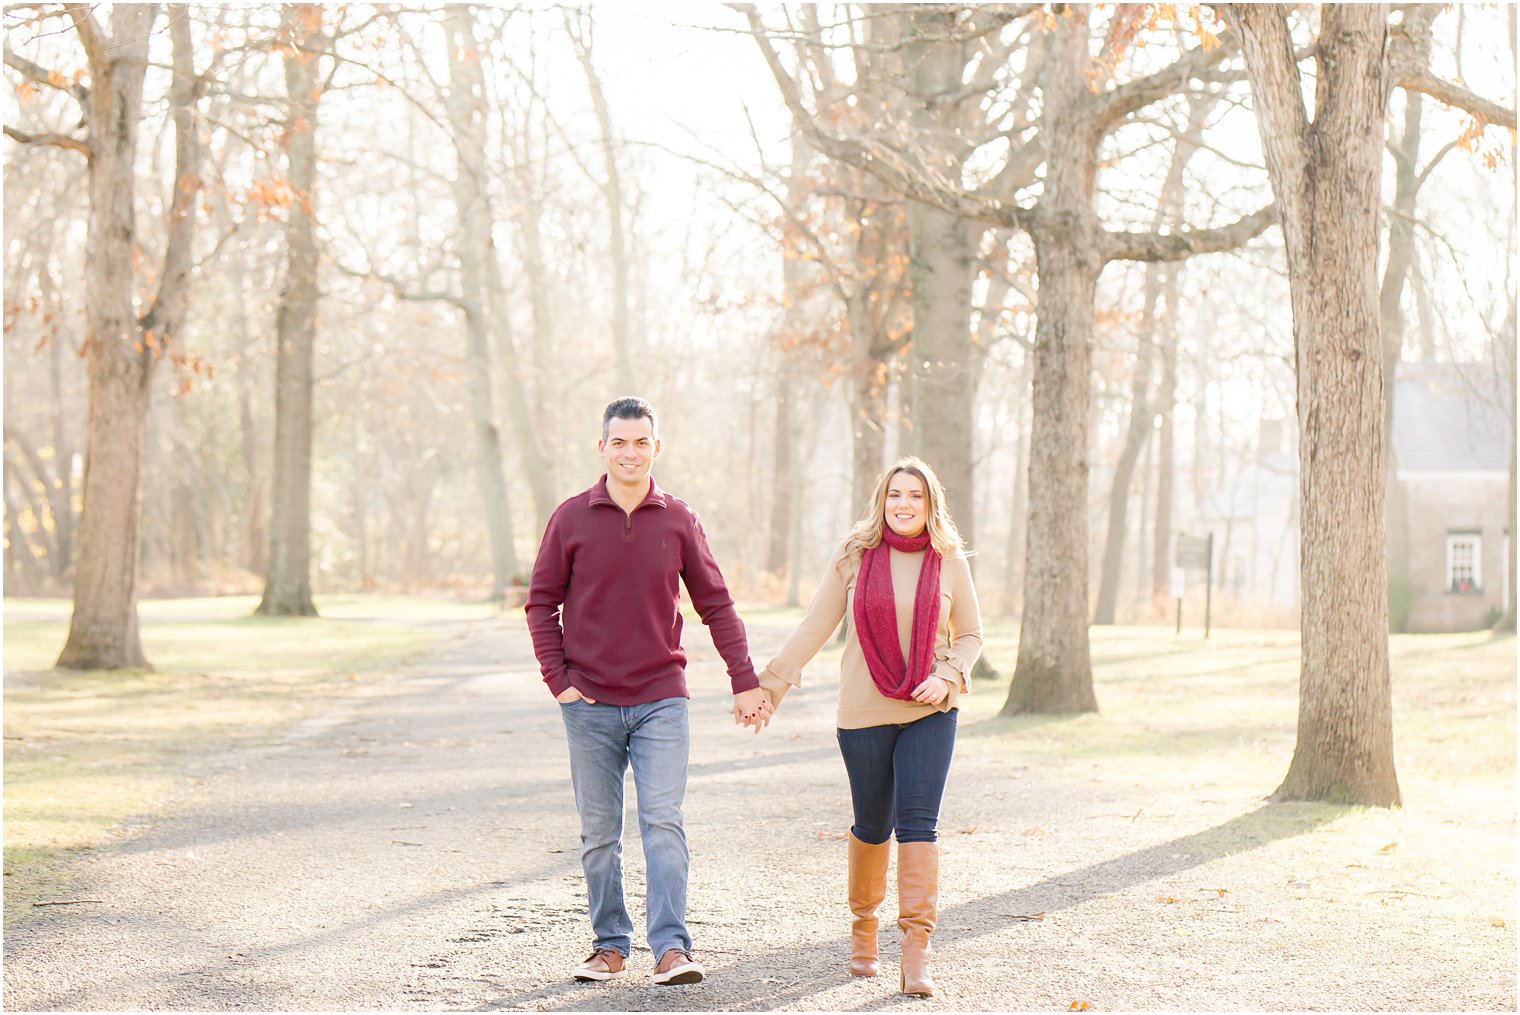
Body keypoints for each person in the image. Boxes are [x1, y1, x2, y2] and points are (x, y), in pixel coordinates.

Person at [526, 396, 772, 986]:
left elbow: (716, 604)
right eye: (619, 442)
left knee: (663, 821)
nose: (630, 452)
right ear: (603, 447)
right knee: (598, 833)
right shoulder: (571, 517)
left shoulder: (678, 519)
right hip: (588, 704)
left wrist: (744, 681)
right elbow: (541, 602)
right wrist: (558, 681)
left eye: (641, 442)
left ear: (656, 447)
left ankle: (671, 949)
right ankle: (609, 945)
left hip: (662, 697)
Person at [744, 456, 981, 997]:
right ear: (882, 500)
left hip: (929, 710)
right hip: (863, 710)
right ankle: (864, 926)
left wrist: (946, 677)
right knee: (872, 824)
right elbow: (815, 626)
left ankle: (917, 948)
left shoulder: (948, 559)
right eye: (895, 494)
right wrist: (769, 688)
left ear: (930, 503)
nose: (904, 504)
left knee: (919, 823)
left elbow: (970, 635)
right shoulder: (854, 555)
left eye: (915, 496)